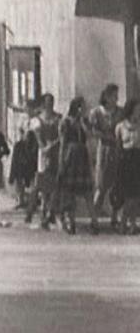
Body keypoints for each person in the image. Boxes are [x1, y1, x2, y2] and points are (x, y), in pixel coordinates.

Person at [57, 96, 99, 235]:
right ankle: (71, 222)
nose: (83, 109)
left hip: (82, 156)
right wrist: (61, 162)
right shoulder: (66, 122)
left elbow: (89, 136)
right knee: (70, 193)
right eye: (81, 107)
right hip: (71, 156)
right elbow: (63, 143)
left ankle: (94, 222)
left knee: (87, 192)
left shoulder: (83, 122)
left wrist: (83, 123)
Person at [88, 83, 122, 229]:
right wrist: (107, 136)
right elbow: (92, 131)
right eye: (114, 96)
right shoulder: (96, 113)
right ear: (107, 97)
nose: (116, 98)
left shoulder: (120, 112)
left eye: (117, 96)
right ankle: (94, 219)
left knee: (117, 186)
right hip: (104, 150)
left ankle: (115, 217)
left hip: (118, 150)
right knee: (101, 186)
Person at [25, 92, 61, 229]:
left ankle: (49, 212)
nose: (50, 104)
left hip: (55, 152)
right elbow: (38, 136)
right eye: (47, 102)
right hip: (44, 153)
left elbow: (61, 135)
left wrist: (54, 144)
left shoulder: (58, 118)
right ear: (43, 104)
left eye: (51, 101)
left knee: (54, 183)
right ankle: (39, 211)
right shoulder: (38, 120)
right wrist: (45, 148)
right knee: (41, 183)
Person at [115, 98, 140, 234]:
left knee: (136, 195)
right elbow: (118, 146)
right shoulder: (120, 126)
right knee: (128, 194)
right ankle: (124, 220)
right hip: (126, 160)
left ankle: (131, 223)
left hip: (138, 158)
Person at [8, 99, 38, 209]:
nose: (27, 110)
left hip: (33, 147)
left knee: (32, 174)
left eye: (29, 108)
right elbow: (20, 132)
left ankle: (32, 200)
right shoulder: (23, 119)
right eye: (26, 108)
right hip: (22, 147)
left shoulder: (37, 120)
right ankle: (20, 199)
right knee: (18, 172)